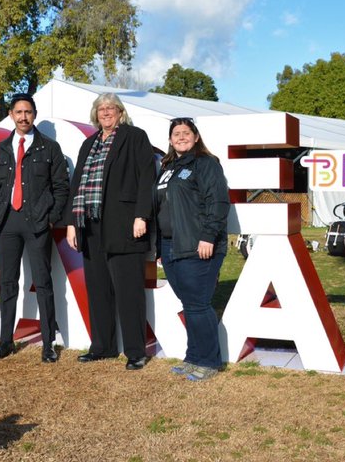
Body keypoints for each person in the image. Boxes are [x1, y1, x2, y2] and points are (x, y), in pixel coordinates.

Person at [65, 93, 155, 369]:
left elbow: (146, 178)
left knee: (129, 293)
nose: (105, 113)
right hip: (91, 227)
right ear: (96, 114)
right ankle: (102, 347)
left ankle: (136, 352)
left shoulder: (135, 136)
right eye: (101, 109)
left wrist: (141, 215)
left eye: (111, 108)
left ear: (120, 112)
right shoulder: (89, 143)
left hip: (125, 224)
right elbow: (77, 182)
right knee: (98, 290)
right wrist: (71, 222)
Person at [0, 93, 70, 363]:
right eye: (18, 112)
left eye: (28, 112)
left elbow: (61, 187)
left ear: (35, 114)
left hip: (37, 223)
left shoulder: (50, 148)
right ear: (11, 114)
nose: (23, 117)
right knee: (8, 284)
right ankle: (5, 342)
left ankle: (48, 344)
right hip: (6, 223)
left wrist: (51, 218)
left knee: (43, 283)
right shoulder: (2, 148)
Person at [156, 117, 230, 380]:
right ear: (170, 139)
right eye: (176, 133)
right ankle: (194, 357)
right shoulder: (168, 167)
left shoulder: (206, 164)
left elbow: (218, 202)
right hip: (171, 246)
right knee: (189, 304)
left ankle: (209, 362)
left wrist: (208, 236)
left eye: (186, 132)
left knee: (198, 304)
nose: (181, 136)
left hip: (197, 245)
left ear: (196, 137)